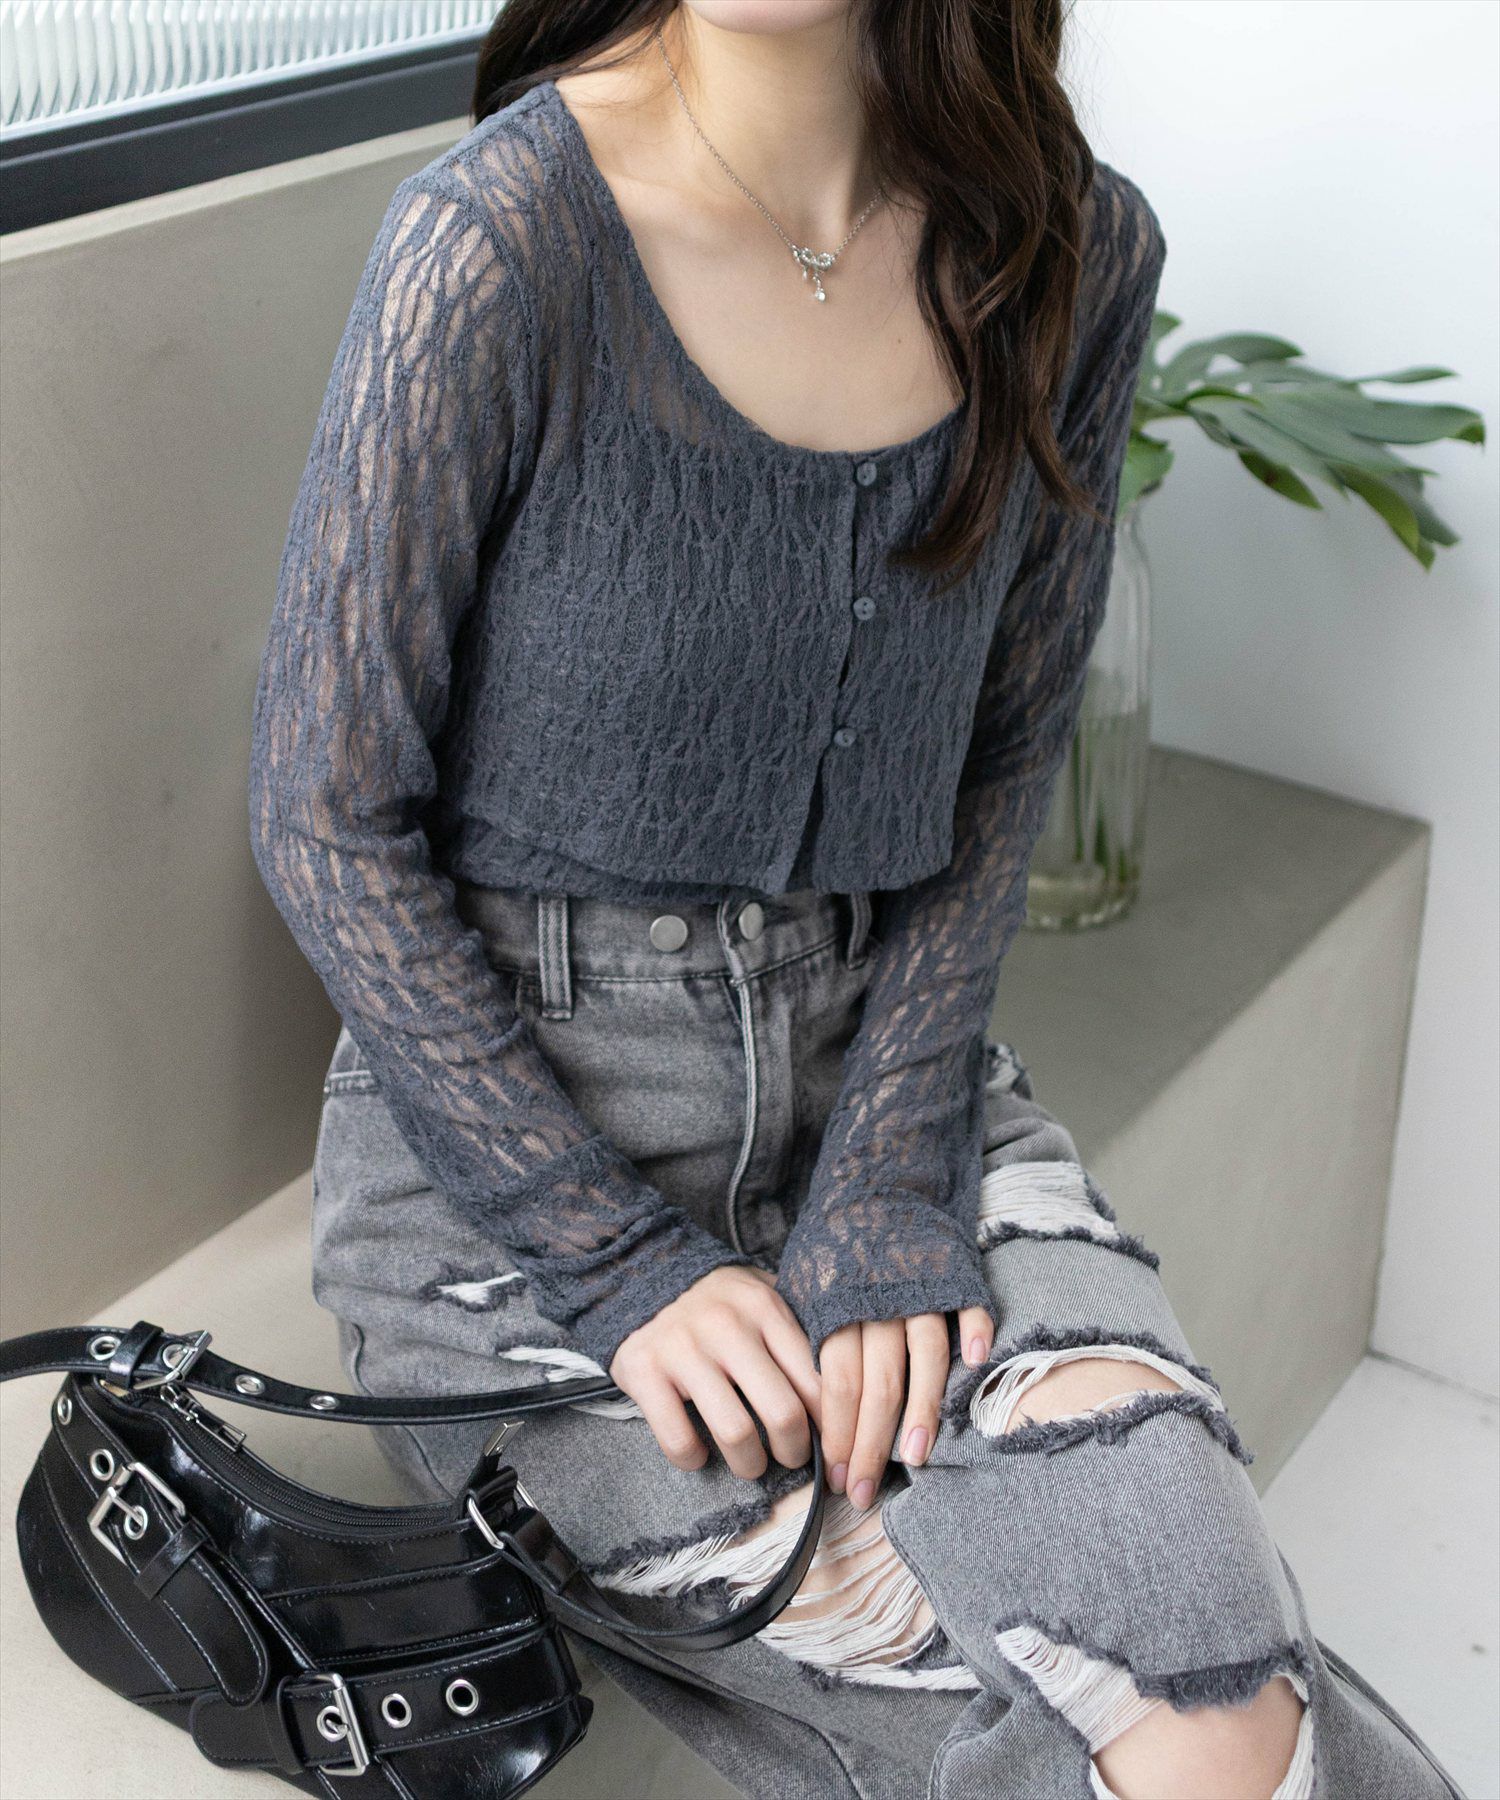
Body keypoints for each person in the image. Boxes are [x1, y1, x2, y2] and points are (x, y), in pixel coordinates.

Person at [248, 3, 1463, 1795]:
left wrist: (890, 1181)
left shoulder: (1068, 252)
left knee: (1210, 1686)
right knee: (1094, 1726)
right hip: (509, 1175)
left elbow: (1001, 767)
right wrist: (614, 1261)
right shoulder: (498, 241)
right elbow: (324, 815)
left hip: (891, 1084)